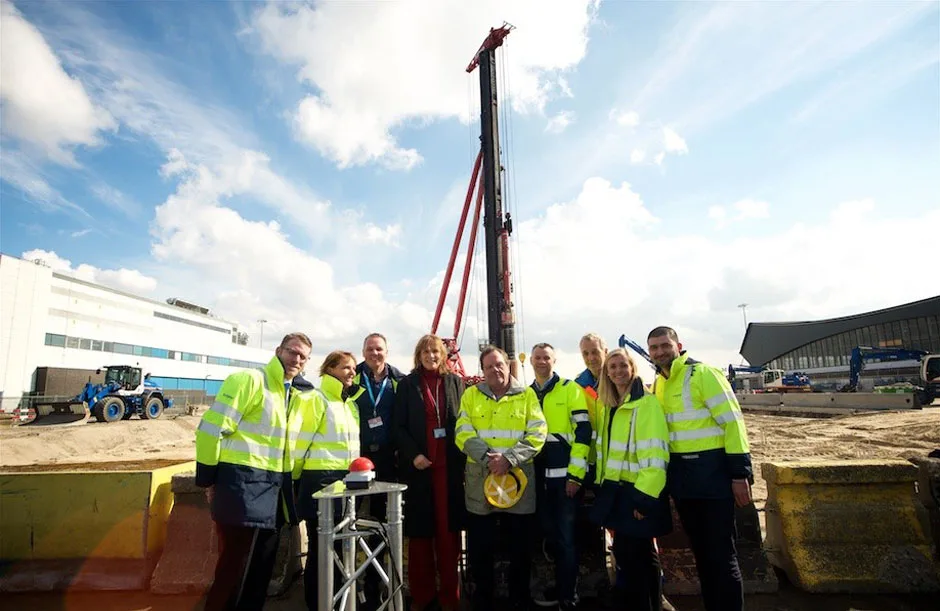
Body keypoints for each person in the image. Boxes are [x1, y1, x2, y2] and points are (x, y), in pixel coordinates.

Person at [195, 332, 315, 611]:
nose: (295, 359)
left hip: (273, 494)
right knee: (235, 566)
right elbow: (210, 431)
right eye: (291, 352)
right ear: (278, 350)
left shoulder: (291, 394)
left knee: (260, 568)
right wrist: (208, 481)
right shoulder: (249, 381)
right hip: (241, 489)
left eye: (302, 356)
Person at [647, 326, 753, 611]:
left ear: (678, 345)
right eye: (654, 348)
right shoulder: (659, 384)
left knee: (721, 557)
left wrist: (740, 474)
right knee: (703, 557)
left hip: (714, 480)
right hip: (684, 483)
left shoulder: (702, 374)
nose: (659, 352)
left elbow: (733, 423)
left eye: (664, 345)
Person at [456, 345, 548, 611]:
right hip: (481, 481)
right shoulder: (471, 396)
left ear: (508, 366)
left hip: (517, 480)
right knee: (480, 546)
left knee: (520, 545)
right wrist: (489, 458)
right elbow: (462, 432)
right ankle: (483, 598)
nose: (495, 370)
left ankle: (519, 598)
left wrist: (509, 459)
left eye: (499, 364)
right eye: (488, 366)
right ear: (482, 371)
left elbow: (538, 433)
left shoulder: (527, 395)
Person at [592, 349, 671, 611]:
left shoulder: (645, 404)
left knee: (643, 558)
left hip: (637, 492)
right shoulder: (609, 406)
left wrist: (645, 498)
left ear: (632, 368)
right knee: (625, 554)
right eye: (612, 367)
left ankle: (649, 605)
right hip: (616, 491)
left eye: (622, 365)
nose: (617, 371)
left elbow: (655, 453)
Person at [393, 334, 467, 611]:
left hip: (449, 470)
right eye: (425, 351)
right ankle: (423, 597)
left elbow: (463, 423)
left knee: (449, 537)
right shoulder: (407, 385)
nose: (431, 356)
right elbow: (398, 427)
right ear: (418, 355)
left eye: (435, 351)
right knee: (421, 537)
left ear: (443, 355)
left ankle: (451, 597)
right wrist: (414, 455)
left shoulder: (455, 383)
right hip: (420, 469)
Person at [296, 350, 362, 611]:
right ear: (330, 369)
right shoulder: (316, 399)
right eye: (346, 368)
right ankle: (316, 604)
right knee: (320, 547)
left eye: (354, 369)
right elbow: (301, 442)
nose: (352, 373)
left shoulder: (349, 404)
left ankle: (336, 601)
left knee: (340, 547)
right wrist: (296, 479)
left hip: (346, 481)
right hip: (320, 481)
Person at [529, 343, 591, 610]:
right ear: (530, 361)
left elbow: (583, 433)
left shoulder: (570, 390)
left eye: (546, 357)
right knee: (549, 536)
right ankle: (558, 584)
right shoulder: (526, 394)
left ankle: (569, 595)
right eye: (537, 358)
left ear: (555, 360)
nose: (542, 362)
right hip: (536, 482)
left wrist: (576, 476)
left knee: (567, 539)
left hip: (565, 480)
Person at [353, 333, 405, 610]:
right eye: (370, 349)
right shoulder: (351, 379)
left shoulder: (399, 380)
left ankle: (378, 585)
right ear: (363, 351)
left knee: (382, 523)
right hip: (356, 460)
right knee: (349, 521)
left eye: (379, 349)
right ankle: (351, 586)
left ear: (387, 351)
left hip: (387, 460)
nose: (375, 353)